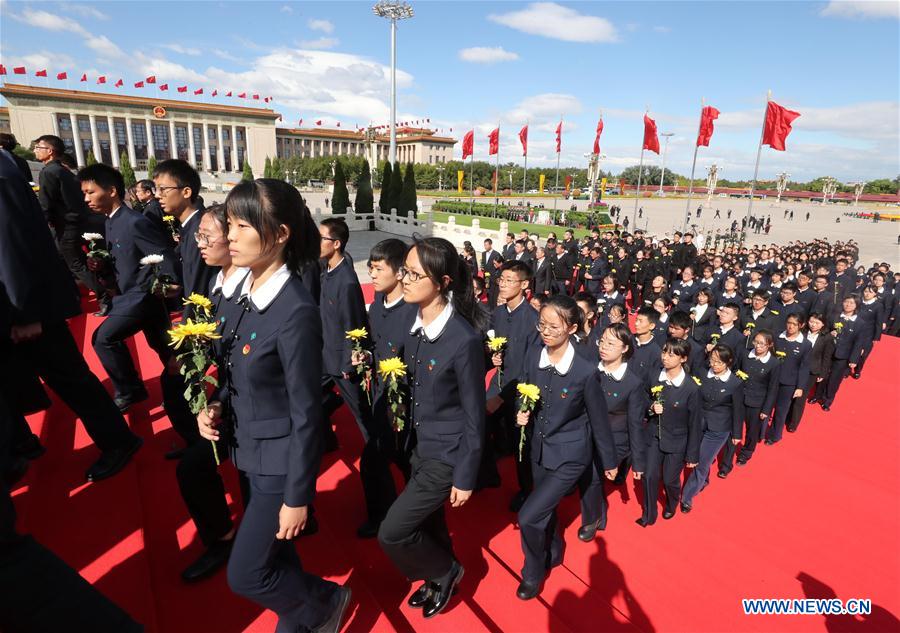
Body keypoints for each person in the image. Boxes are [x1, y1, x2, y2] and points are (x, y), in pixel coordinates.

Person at [198, 178, 351, 632]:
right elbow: (243, 374)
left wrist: (298, 496)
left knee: (246, 574)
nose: (229, 236)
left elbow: (307, 411)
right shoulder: (244, 295)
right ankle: (303, 619)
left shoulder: (295, 312)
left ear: (280, 234)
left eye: (242, 226)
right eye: (229, 224)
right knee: (277, 555)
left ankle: (326, 600)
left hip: (279, 464)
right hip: (249, 448)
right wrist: (218, 405)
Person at [0, 147, 142, 483]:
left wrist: (23, 312)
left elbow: (8, 242)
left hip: (25, 303)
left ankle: (118, 441)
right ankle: (20, 443)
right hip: (15, 302)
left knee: (70, 377)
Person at [377, 237, 486, 619]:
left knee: (392, 531)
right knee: (429, 520)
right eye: (404, 271)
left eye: (413, 274)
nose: (404, 279)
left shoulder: (464, 340)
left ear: (441, 282)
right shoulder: (413, 320)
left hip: (447, 453)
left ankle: (445, 570)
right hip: (417, 446)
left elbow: (475, 413)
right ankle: (437, 579)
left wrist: (466, 474)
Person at [515, 296, 616, 600]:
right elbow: (525, 393)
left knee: (528, 516)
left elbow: (599, 419)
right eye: (542, 324)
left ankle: (532, 572)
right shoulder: (534, 356)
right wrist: (522, 412)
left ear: (572, 328)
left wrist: (609, 461)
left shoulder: (585, 371)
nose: (545, 331)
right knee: (545, 509)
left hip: (570, 455)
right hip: (539, 449)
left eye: (553, 327)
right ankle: (554, 550)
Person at [175, 203, 248, 582]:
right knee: (193, 468)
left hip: (247, 404)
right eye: (197, 236)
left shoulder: (251, 292)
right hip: (224, 397)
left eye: (206, 236)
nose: (199, 244)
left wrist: (219, 401)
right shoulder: (216, 282)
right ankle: (224, 535)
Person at [80, 164, 181, 412]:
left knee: (102, 338)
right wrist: (101, 263)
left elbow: (163, 255)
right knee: (166, 349)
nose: (86, 198)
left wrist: (167, 285)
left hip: (142, 296)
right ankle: (183, 395)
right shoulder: (110, 222)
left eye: (90, 192)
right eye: (84, 193)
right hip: (131, 295)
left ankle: (130, 389)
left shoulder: (135, 221)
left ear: (112, 191)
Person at [319, 217, 392, 538]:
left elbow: (354, 324)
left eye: (320, 238)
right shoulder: (328, 270)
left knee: (367, 426)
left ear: (336, 244)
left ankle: (382, 479)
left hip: (342, 364)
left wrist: (352, 358)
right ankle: (326, 437)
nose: (315, 243)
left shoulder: (346, 281)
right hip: (325, 359)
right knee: (312, 407)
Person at [356, 238, 419, 482]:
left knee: (406, 461)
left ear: (400, 272)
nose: (372, 274)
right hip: (383, 397)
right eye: (371, 268)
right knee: (377, 461)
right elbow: (376, 345)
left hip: (405, 403)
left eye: (379, 268)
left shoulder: (414, 311)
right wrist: (367, 356)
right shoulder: (377, 305)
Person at [578, 323, 647, 539]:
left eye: (611, 343)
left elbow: (635, 423)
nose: (604, 346)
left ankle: (593, 519)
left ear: (625, 348)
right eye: (603, 341)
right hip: (584, 433)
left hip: (614, 440)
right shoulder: (588, 368)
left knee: (593, 479)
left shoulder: (633, 383)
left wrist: (638, 460)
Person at [482, 260, 540, 510]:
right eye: (501, 280)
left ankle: (528, 491)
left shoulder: (533, 320)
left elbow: (530, 366)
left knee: (522, 445)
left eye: (508, 280)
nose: (502, 284)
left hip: (520, 390)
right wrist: (491, 354)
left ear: (524, 285)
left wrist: (503, 397)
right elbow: (490, 343)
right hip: (499, 381)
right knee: (480, 427)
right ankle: (487, 474)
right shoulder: (498, 313)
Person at [33, 134, 110, 316]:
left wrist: (38, 227)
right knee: (75, 261)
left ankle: (103, 296)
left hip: (67, 225)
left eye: (38, 147)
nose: (35, 151)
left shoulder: (49, 172)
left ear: (50, 151)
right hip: (77, 222)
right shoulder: (63, 171)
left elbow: (46, 204)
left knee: (75, 264)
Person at [636, 338, 701, 526]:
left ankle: (672, 503)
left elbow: (695, 423)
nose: (665, 357)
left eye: (671, 354)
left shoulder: (690, 388)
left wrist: (692, 454)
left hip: (677, 442)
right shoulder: (654, 375)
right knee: (649, 476)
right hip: (654, 436)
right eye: (664, 352)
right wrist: (650, 407)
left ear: (683, 358)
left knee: (670, 479)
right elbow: (643, 398)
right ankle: (649, 514)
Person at [680, 344, 744, 513]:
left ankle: (687, 497)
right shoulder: (701, 372)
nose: (714, 365)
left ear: (728, 362)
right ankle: (704, 480)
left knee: (701, 462)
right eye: (712, 361)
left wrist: (737, 433)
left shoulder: (735, 383)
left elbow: (738, 410)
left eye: (719, 363)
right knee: (695, 456)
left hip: (718, 428)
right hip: (697, 423)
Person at [720, 330, 781, 474]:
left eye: (762, 343)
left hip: (757, 403)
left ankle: (746, 453)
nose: (758, 346)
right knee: (733, 431)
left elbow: (773, 388)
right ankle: (726, 465)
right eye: (756, 342)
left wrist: (766, 410)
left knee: (752, 432)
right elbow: (735, 370)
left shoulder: (774, 363)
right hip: (739, 399)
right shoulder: (744, 354)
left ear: (769, 345)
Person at [766, 314, 811, 445]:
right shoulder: (777, 337)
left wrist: (800, 387)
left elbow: (804, 367)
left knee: (781, 410)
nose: (790, 326)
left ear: (801, 326)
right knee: (766, 407)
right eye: (789, 323)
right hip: (772, 379)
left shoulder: (805, 344)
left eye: (794, 324)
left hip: (789, 383)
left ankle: (775, 435)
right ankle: (761, 431)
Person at [821, 296, 869, 412]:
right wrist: (829, 334)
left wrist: (853, 359)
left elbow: (858, 343)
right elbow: (825, 331)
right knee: (823, 375)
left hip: (843, 355)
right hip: (829, 352)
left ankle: (828, 400)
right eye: (846, 302)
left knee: (834, 379)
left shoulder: (860, 323)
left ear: (856, 306)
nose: (848, 305)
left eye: (851, 303)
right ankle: (818, 395)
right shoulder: (834, 316)